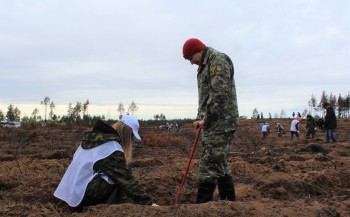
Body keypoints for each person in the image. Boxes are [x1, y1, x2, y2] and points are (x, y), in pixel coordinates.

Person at [54, 115, 157, 212]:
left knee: (114, 175)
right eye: (131, 137)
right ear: (127, 134)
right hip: (80, 201)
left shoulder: (92, 139)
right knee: (118, 178)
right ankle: (113, 210)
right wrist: (148, 204)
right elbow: (127, 180)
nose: (131, 141)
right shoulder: (112, 148)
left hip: (69, 196)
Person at [182, 38, 239, 203]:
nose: (191, 63)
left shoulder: (217, 61)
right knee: (220, 163)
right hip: (213, 123)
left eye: (190, 58)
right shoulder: (204, 66)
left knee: (208, 164)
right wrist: (201, 117)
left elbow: (219, 94)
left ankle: (201, 208)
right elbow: (206, 96)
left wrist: (206, 119)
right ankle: (230, 205)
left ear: (197, 51)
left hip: (222, 123)